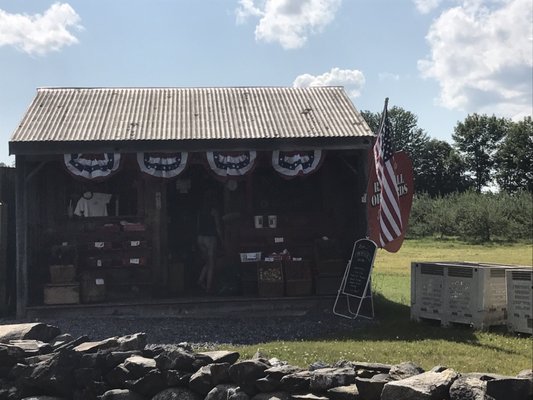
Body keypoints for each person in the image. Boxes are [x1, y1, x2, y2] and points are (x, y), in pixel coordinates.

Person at [196, 191, 223, 293]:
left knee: (207, 261)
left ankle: (200, 280)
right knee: (211, 263)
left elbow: (197, 226)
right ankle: (208, 288)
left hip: (200, 238)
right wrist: (222, 240)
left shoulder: (200, 211)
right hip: (210, 238)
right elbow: (218, 228)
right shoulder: (214, 211)